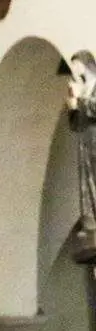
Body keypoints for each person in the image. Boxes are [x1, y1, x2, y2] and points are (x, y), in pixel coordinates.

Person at [68, 50, 96, 237]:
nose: (75, 69)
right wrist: (73, 106)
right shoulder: (80, 87)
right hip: (85, 141)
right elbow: (76, 125)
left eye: (77, 65)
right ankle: (91, 221)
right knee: (88, 181)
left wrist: (83, 98)